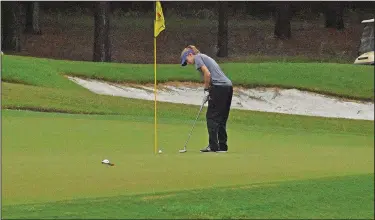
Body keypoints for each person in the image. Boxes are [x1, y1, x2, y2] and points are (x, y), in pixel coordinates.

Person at [180, 45, 233, 153]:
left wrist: (206, 89)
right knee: (221, 118)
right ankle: (222, 146)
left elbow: (207, 73)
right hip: (228, 87)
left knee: (211, 117)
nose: (188, 63)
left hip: (218, 87)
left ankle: (213, 146)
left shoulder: (198, 58)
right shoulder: (204, 57)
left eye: (187, 60)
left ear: (190, 55)